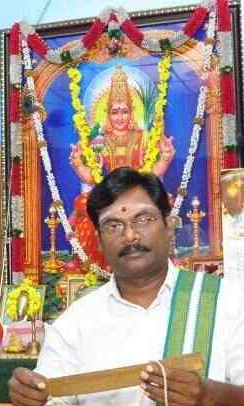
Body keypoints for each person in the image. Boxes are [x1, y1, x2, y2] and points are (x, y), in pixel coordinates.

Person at [9, 168, 244, 406]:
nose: (130, 235)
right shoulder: (77, 321)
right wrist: (30, 395)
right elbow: (49, 400)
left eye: (143, 219)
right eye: (113, 225)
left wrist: (211, 396)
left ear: (169, 226)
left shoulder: (221, 300)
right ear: (99, 241)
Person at [68, 66, 176, 269]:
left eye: (124, 111)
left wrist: (165, 159)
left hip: (139, 195)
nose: (120, 117)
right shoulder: (99, 140)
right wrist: (79, 165)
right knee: (83, 203)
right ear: (107, 114)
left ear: (132, 112)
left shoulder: (142, 137)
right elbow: (93, 178)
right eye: (115, 112)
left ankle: (156, 261)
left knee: (165, 200)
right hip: (108, 195)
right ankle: (91, 263)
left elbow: (150, 174)